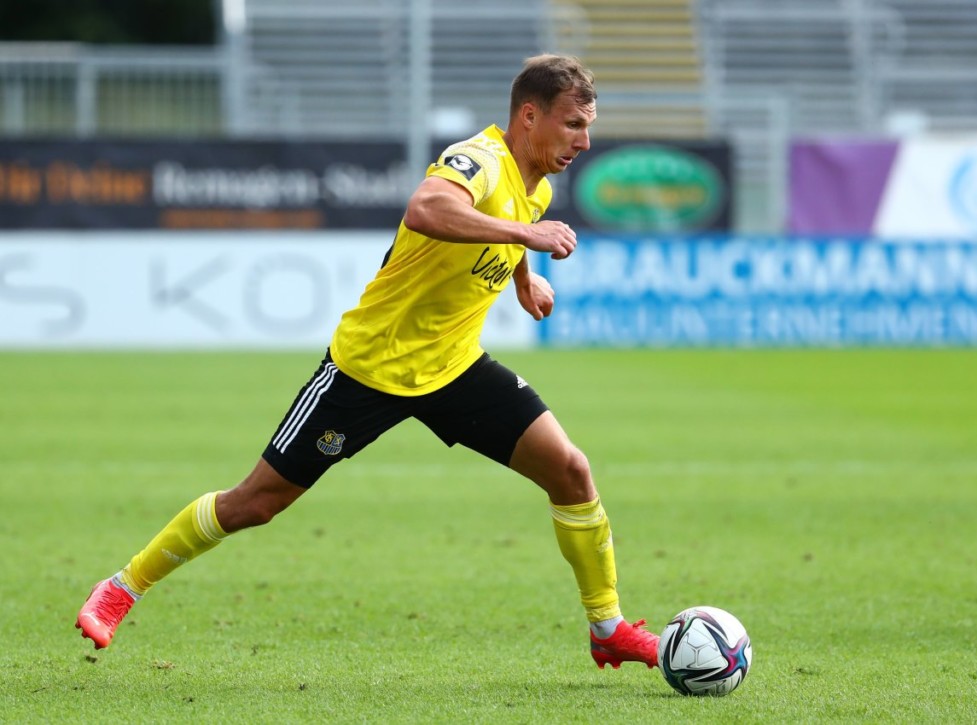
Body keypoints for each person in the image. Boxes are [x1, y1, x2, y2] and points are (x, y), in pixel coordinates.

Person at [75, 54, 658, 669]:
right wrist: (526, 241)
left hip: (454, 368)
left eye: (587, 126)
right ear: (529, 115)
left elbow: (509, 219)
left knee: (570, 471)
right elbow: (427, 209)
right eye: (572, 124)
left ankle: (607, 625)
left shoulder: (536, 183)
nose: (584, 141)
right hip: (368, 371)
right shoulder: (479, 160)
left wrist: (521, 280)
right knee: (255, 503)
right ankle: (121, 587)